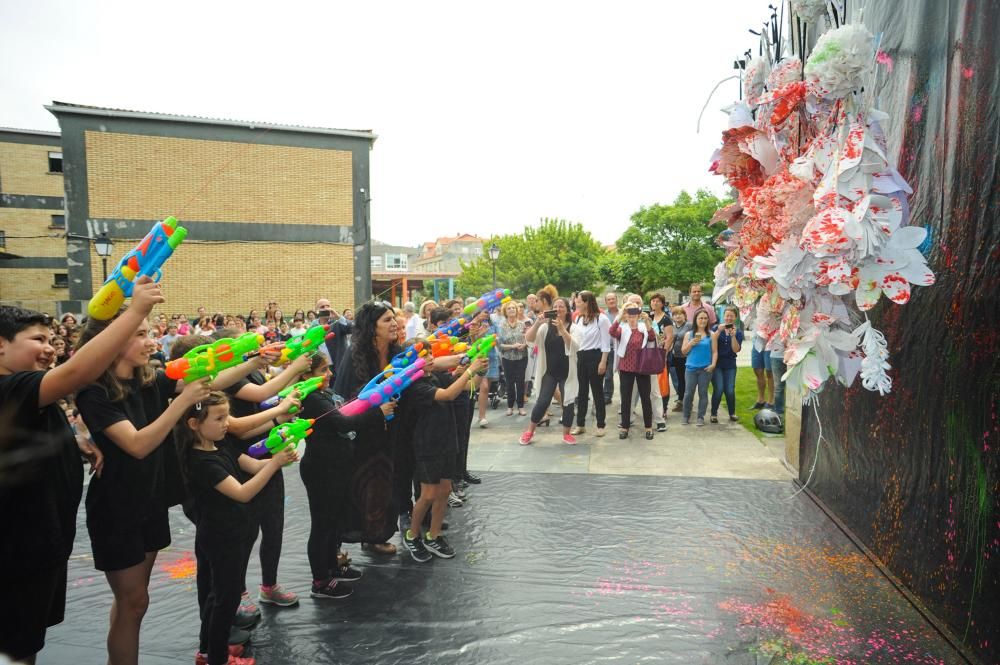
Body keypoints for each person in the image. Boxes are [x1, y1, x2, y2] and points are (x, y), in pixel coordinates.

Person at [0, 281, 162, 665]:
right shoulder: (11, 387)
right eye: (38, 339)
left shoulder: (27, 396)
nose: (50, 348)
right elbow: (77, 372)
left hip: (40, 545)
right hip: (14, 551)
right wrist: (135, 310)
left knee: (25, 645)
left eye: (51, 338)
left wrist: (72, 440)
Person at [74, 308, 212, 665]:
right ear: (111, 340)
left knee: (134, 602)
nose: (150, 342)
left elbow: (215, 381)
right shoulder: (94, 392)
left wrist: (257, 357)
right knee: (133, 602)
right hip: (117, 509)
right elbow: (137, 444)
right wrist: (181, 401)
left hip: (148, 501)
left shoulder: (146, 380)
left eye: (148, 333)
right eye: (139, 334)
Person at [179, 391, 293, 665]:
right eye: (219, 418)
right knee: (225, 601)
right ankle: (217, 658)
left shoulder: (221, 445)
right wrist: (275, 464)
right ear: (194, 424)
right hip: (222, 537)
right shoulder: (202, 462)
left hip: (233, 534)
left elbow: (253, 465)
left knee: (218, 595)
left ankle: (207, 651)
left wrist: (280, 456)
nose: (226, 423)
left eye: (227, 416)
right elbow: (242, 492)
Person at [297, 354, 389, 599]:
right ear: (305, 375)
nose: (329, 374)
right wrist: (377, 412)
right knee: (322, 525)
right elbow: (342, 423)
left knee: (333, 523)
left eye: (329, 369)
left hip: (335, 467)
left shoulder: (324, 394)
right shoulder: (312, 398)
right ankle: (320, 580)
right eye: (322, 370)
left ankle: (331, 568)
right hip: (321, 469)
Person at [400, 353, 488, 562]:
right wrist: (468, 370)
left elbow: (469, 385)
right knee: (428, 494)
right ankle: (412, 535)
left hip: (447, 441)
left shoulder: (436, 377)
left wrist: (480, 369)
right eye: (424, 356)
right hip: (428, 445)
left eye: (430, 354)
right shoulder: (415, 387)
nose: (430, 358)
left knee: (444, 490)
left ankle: (434, 534)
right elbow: (447, 395)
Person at [332, 301, 402, 556]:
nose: (394, 323)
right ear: (371, 327)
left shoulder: (398, 353)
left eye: (394, 318)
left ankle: (376, 535)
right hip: (360, 435)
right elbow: (345, 401)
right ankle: (343, 539)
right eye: (386, 320)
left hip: (390, 433)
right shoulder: (355, 356)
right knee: (359, 485)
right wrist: (376, 410)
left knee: (384, 486)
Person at [521, 297, 579, 446]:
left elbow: (575, 346)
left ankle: (566, 433)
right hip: (549, 371)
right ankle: (529, 431)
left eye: (561, 307)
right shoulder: (545, 327)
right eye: (555, 306)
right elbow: (528, 339)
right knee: (542, 401)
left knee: (568, 403)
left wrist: (562, 329)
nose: (558, 309)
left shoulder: (573, 327)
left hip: (568, 373)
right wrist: (537, 323)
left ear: (567, 310)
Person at [609, 303, 657, 440]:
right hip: (626, 367)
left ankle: (648, 427)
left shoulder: (643, 328)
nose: (632, 318)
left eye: (634, 316)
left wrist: (647, 320)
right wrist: (619, 315)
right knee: (626, 399)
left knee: (645, 398)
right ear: (626, 316)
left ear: (638, 316)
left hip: (642, 368)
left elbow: (652, 337)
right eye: (629, 316)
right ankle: (625, 426)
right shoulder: (622, 329)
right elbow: (612, 332)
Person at [571, 291, 610, 436]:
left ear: (587, 302)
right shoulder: (579, 319)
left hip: (596, 356)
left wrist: (603, 362)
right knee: (581, 393)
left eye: (579, 301)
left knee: (597, 392)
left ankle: (601, 425)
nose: (576, 303)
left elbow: (606, 343)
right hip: (581, 357)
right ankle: (580, 424)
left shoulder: (602, 319)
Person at [681, 310, 719, 426]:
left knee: (703, 393)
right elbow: (683, 352)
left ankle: (700, 417)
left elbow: (714, 352)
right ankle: (685, 416)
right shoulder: (689, 334)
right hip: (691, 369)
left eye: (705, 318)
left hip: (705, 369)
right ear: (695, 320)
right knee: (688, 394)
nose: (703, 320)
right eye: (700, 318)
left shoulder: (711, 335)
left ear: (708, 320)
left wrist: (713, 364)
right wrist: (691, 343)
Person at [710, 306, 744, 423]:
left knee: (729, 390)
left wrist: (733, 336)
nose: (728, 318)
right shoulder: (715, 328)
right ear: (723, 316)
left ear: (735, 318)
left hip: (730, 364)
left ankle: (732, 413)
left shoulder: (738, 332)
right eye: (727, 315)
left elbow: (736, 350)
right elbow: (711, 343)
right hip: (717, 363)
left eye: (731, 316)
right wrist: (719, 331)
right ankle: (713, 413)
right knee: (718, 389)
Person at [497, 302, 528, 416]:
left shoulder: (523, 324)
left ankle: (520, 406)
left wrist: (524, 345)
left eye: (513, 308)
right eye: (509, 308)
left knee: (520, 381)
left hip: (521, 357)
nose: (511, 310)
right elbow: (499, 345)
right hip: (508, 358)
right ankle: (510, 406)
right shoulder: (501, 326)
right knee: (510, 382)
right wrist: (512, 346)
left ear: (517, 310)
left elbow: (528, 338)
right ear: (505, 311)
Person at [648, 293, 674, 430]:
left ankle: (663, 409)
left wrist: (664, 354)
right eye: (653, 301)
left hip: (662, 355)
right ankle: (653, 409)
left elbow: (669, 338)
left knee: (662, 383)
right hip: (649, 355)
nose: (655, 303)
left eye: (658, 301)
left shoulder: (666, 319)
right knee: (651, 384)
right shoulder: (648, 317)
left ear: (662, 303)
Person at [668, 306, 691, 412]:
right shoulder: (672, 327)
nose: (677, 316)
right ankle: (681, 401)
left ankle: (686, 401)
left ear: (684, 316)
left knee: (687, 380)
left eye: (680, 314)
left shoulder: (689, 325)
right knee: (680, 380)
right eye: (675, 314)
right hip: (676, 357)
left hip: (687, 357)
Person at [602, 292, 620, 404]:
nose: (611, 301)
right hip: (607, 348)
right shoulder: (603, 315)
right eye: (609, 299)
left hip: (620, 348)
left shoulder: (623, 313)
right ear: (606, 302)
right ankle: (607, 396)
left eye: (613, 299)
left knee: (619, 375)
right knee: (607, 374)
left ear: (617, 300)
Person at [751, 329, 775, 410]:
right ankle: (760, 400)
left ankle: (771, 401)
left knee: (770, 372)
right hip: (757, 341)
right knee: (757, 369)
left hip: (771, 341)